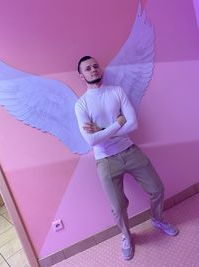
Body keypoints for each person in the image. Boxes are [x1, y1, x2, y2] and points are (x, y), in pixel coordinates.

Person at [75, 56, 179, 261]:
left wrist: (103, 131)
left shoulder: (116, 91)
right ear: (82, 75)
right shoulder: (81, 105)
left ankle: (158, 220)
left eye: (96, 66)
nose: (94, 70)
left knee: (157, 188)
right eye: (88, 68)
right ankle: (126, 235)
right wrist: (116, 124)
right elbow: (91, 140)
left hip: (130, 150)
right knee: (117, 206)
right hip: (105, 160)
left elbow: (133, 124)